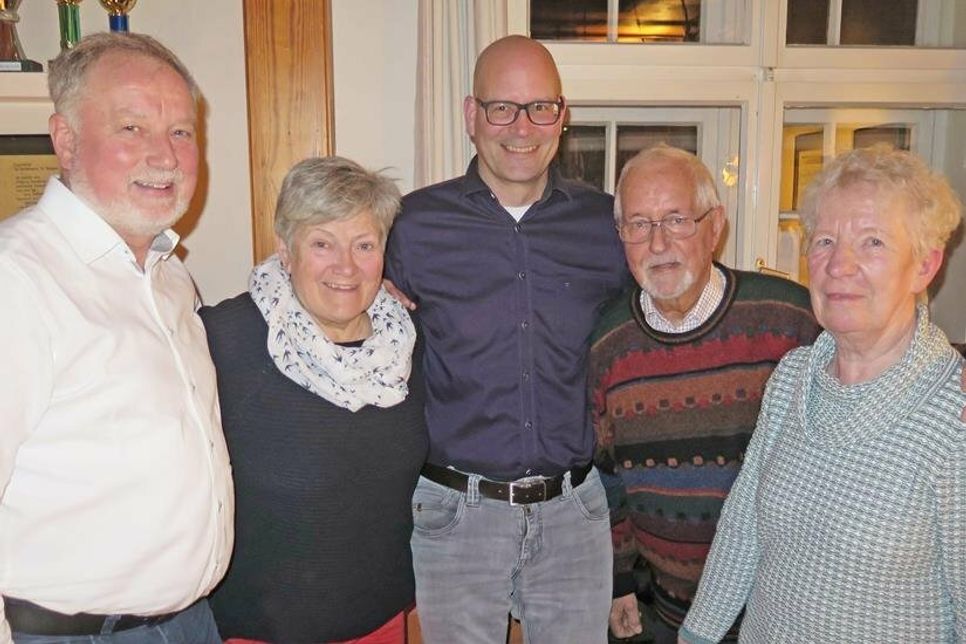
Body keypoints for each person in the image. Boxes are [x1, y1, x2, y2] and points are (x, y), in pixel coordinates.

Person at [385, 35, 627, 643]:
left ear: (562, 116)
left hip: (575, 514)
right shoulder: (411, 227)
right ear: (472, 115)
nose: (522, 127)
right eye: (503, 108)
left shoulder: (606, 226)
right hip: (455, 515)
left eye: (540, 107)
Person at [680, 146, 966, 643]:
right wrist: (699, 633)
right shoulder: (794, 376)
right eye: (826, 240)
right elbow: (744, 523)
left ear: (925, 266)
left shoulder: (952, 418)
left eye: (872, 242)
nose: (839, 264)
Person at [0, 33, 231, 643]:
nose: (166, 157)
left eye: (182, 132)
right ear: (66, 141)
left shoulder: (171, 276)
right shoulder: (15, 278)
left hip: (189, 623)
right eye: (132, 129)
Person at [588, 145, 821, 643]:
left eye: (676, 219)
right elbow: (603, 474)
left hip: (780, 611)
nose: (657, 244)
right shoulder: (608, 342)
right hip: (663, 612)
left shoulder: (791, 320)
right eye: (639, 225)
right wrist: (618, 579)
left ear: (715, 226)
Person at [203, 156, 427, 644]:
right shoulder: (224, 341)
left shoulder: (409, 343)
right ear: (285, 250)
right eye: (322, 243)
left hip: (381, 620)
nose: (346, 267)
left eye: (364, 245)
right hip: (259, 629)